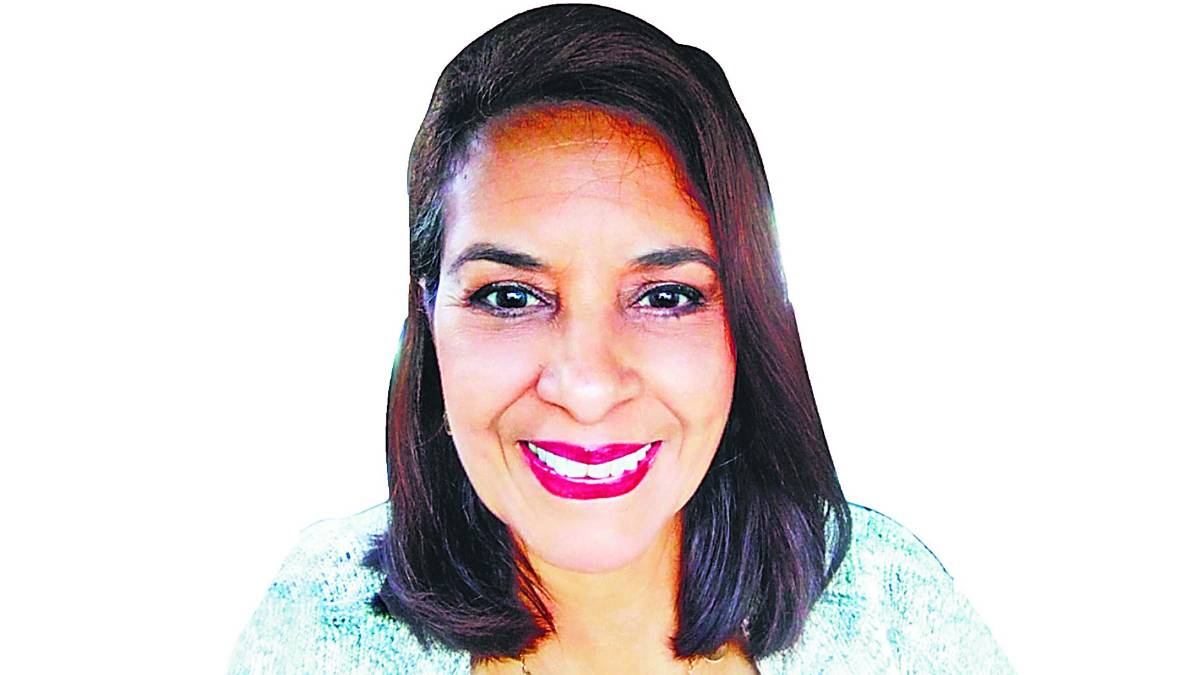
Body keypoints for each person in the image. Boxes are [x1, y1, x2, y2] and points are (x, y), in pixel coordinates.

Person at [229, 4, 1014, 673]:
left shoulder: (890, 615)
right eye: (509, 296)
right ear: (428, 316)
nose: (588, 385)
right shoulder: (314, 632)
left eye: (666, 296)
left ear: (746, 321)